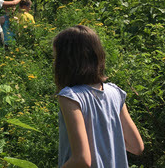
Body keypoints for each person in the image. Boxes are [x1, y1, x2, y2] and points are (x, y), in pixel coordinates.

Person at [53, 25, 144, 167]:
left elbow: (82, 160)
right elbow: (137, 146)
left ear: (64, 62)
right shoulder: (115, 93)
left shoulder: (70, 97)